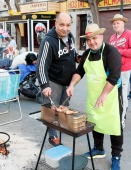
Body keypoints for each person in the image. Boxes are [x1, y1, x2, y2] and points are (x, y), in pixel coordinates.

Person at [66, 24, 123, 170]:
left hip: (111, 96)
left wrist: (104, 94)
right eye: (89, 39)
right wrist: (72, 85)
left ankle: (116, 156)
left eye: (95, 38)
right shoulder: (87, 54)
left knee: (114, 126)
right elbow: (79, 72)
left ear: (101, 37)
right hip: (93, 95)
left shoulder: (111, 52)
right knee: (94, 121)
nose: (92, 42)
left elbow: (114, 77)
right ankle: (99, 149)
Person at [36, 12, 80, 147]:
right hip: (53, 82)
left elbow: (70, 53)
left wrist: (77, 57)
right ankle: (53, 136)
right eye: (62, 25)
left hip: (67, 82)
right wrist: (45, 85)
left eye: (68, 25)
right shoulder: (48, 41)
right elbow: (41, 65)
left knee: (63, 109)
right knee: (52, 111)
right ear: (56, 24)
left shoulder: (70, 36)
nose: (65, 28)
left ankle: (60, 128)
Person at [109, 14, 131, 128]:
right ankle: (114, 116)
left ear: (123, 24)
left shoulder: (130, 34)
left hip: (124, 70)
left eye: (118, 23)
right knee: (113, 95)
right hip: (113, 69)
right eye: (114, 23)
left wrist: (119, 52)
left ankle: (121, 120)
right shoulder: (112, 37)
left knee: (122, 95)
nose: (116, 25)